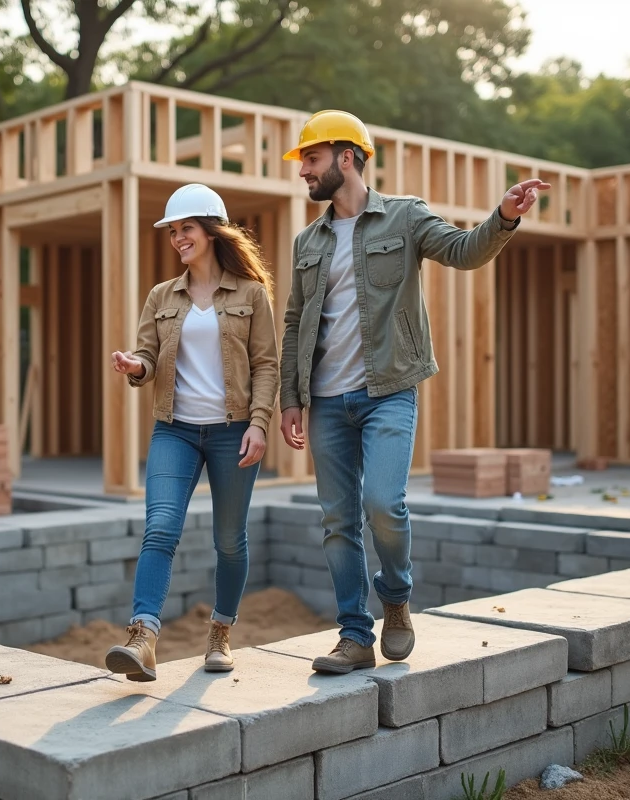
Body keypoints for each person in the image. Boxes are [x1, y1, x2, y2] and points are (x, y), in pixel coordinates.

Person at [277, 110, 549, 674]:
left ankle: (396, 598)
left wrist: (503, 216)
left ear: (345, 157)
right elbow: (295, 320)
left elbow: (464, 251)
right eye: (303, 160)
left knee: (383, 503)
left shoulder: (404, 216)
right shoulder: (309, 239)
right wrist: (290, 397)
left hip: (389, 391)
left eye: (310, 158)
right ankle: (354, 636)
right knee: (336, 522)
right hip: (326, 401)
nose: (303, 170)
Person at [105, 183, 280, 681]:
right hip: (174, 431)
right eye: (173, 231)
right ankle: (143, 637)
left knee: (230, 541)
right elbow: (147, 359)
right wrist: (133, 366)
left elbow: (267, 365)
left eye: (186, 229)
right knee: (160, 527)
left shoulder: (250, 294)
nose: (178, 238)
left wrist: (261, 424)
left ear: (210, 230)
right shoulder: (162, 296)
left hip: (233, 431)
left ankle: (221, 632)